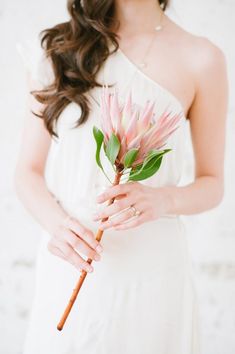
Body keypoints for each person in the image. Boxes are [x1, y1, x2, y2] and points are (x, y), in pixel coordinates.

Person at [14, 0, 228, 353]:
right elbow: (27, 172)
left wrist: (163, 199)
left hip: (153, 275)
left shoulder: (202, 59)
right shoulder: (60, 48)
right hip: (68, 261)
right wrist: (57, 225)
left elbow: (213, 182)